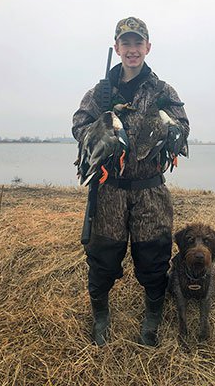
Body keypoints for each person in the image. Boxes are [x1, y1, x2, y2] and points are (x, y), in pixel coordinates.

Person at [72, 17, 190, 347]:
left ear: (148, 47)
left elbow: (183, 125)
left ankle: (152, 317)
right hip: (108, 190)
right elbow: (78, 125)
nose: (132, 49)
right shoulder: (100, 91)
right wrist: (100, 129)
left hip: (150, 190)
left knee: (153, 258)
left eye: (138, 43)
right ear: (117, 48)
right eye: (126, 43)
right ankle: (101, 317)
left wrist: (170, 130)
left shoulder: (163, 90)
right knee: (103, 259)